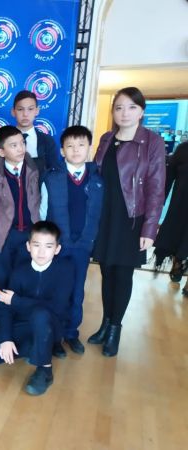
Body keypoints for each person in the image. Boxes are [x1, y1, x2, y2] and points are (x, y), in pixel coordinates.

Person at [90, 87, 165, 357]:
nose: (125, 113)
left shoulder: (152, 142)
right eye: (119, 107)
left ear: (141, 112)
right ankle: (105, 323)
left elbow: (156, 187)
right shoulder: (107, 138)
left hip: (132, 219)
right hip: (105, 216)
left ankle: (115, 329)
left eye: (132, 107)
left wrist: (150, 228)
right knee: (107, 271)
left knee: (122, 274)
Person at [0, 221, 74, 396]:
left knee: (40, 314)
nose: (41, 252)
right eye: (36, 245)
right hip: (23, 325)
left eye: (48, 246)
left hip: (51, 325)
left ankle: (45, 370)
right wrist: (6, 339)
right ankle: (38, 348)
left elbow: (58, 307)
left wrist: (17, 300)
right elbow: (6, 307)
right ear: (28, 246)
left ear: (57, 249)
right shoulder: (19, 271)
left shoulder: (65, 269)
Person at [40, 126, 104, 356]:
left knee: (77, 292)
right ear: (62, 150)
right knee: (56, 291)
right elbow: (42, 211)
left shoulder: (98, 179)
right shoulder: (51, 177)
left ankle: (71, 333)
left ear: (89, 148)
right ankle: (54, 336)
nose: (76, 150)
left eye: (81, 145)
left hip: (83, 245)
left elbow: (100, 213)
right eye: (70, 146)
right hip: (57, 246)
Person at [0, 125, 40, 288]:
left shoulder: (35, 169)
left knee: (26, 280)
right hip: (4, 235)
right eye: (13, 145)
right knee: (2, 279)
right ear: (1, 152)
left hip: (30, 233)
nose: (20, 148)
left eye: (22, 143)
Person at [0, 90, 59, 178]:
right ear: (13, 112)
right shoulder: (3, 138)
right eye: (20, 109)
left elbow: (54, 173)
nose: (25, 114)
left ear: (37, 111)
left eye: (30, 109)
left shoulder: (47, 141)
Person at [155, 141, 188, 295]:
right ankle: (178, 262)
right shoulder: (183, 149)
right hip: (181, 207)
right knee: (179, 239)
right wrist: (157, 205)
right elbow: (168, 179)